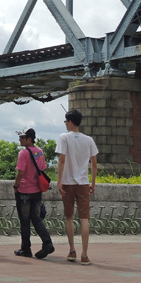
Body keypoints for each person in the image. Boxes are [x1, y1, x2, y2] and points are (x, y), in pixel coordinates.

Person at [57, 109, 98, 266]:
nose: (65, 124)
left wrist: (59, 180)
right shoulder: (88, 140)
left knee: (69, 217)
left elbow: (62, 159)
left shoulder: (63, 138)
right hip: (83, 183)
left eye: (66, 121)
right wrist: (93, 182)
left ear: (70, 121)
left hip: (67, 182)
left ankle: (72, 250)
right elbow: (94, 163)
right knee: (84, 219)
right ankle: (85, 254)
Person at [13, 128, 54, 259]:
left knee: (25, 221)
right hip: (37, 191)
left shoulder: (23, 153)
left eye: (22, 137)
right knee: (36, 218)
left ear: (29, 139)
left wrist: (15, 186)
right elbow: (42, 168)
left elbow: (20, 172)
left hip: (24, 191)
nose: (20, 139)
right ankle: (47, 243)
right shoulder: (40, 152)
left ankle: (25, 249)